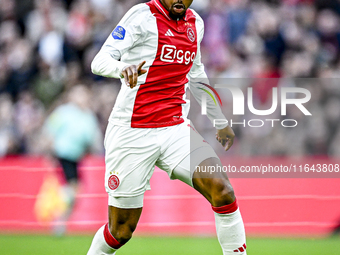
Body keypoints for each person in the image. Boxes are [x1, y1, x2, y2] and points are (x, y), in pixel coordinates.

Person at [87, 0, 247, 254]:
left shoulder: (196, 23)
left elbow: (196, 75)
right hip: (132, 132)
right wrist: (122, 68)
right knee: (121, 231)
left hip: (175, 129)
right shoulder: (141, 16)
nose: (180, 0)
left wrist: (219, 120)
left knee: (223, 191)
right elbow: (99, 61)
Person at [44, 85, 101, 235]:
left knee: (75, 190)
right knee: (72, 188)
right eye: (78, 94)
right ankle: (59, 219)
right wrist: (50, 151)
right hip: (62, 155)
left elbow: (92, 139)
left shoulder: (88, 116)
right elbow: (50, 130)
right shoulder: (64, 112)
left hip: (77, 158)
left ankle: (61, 219)